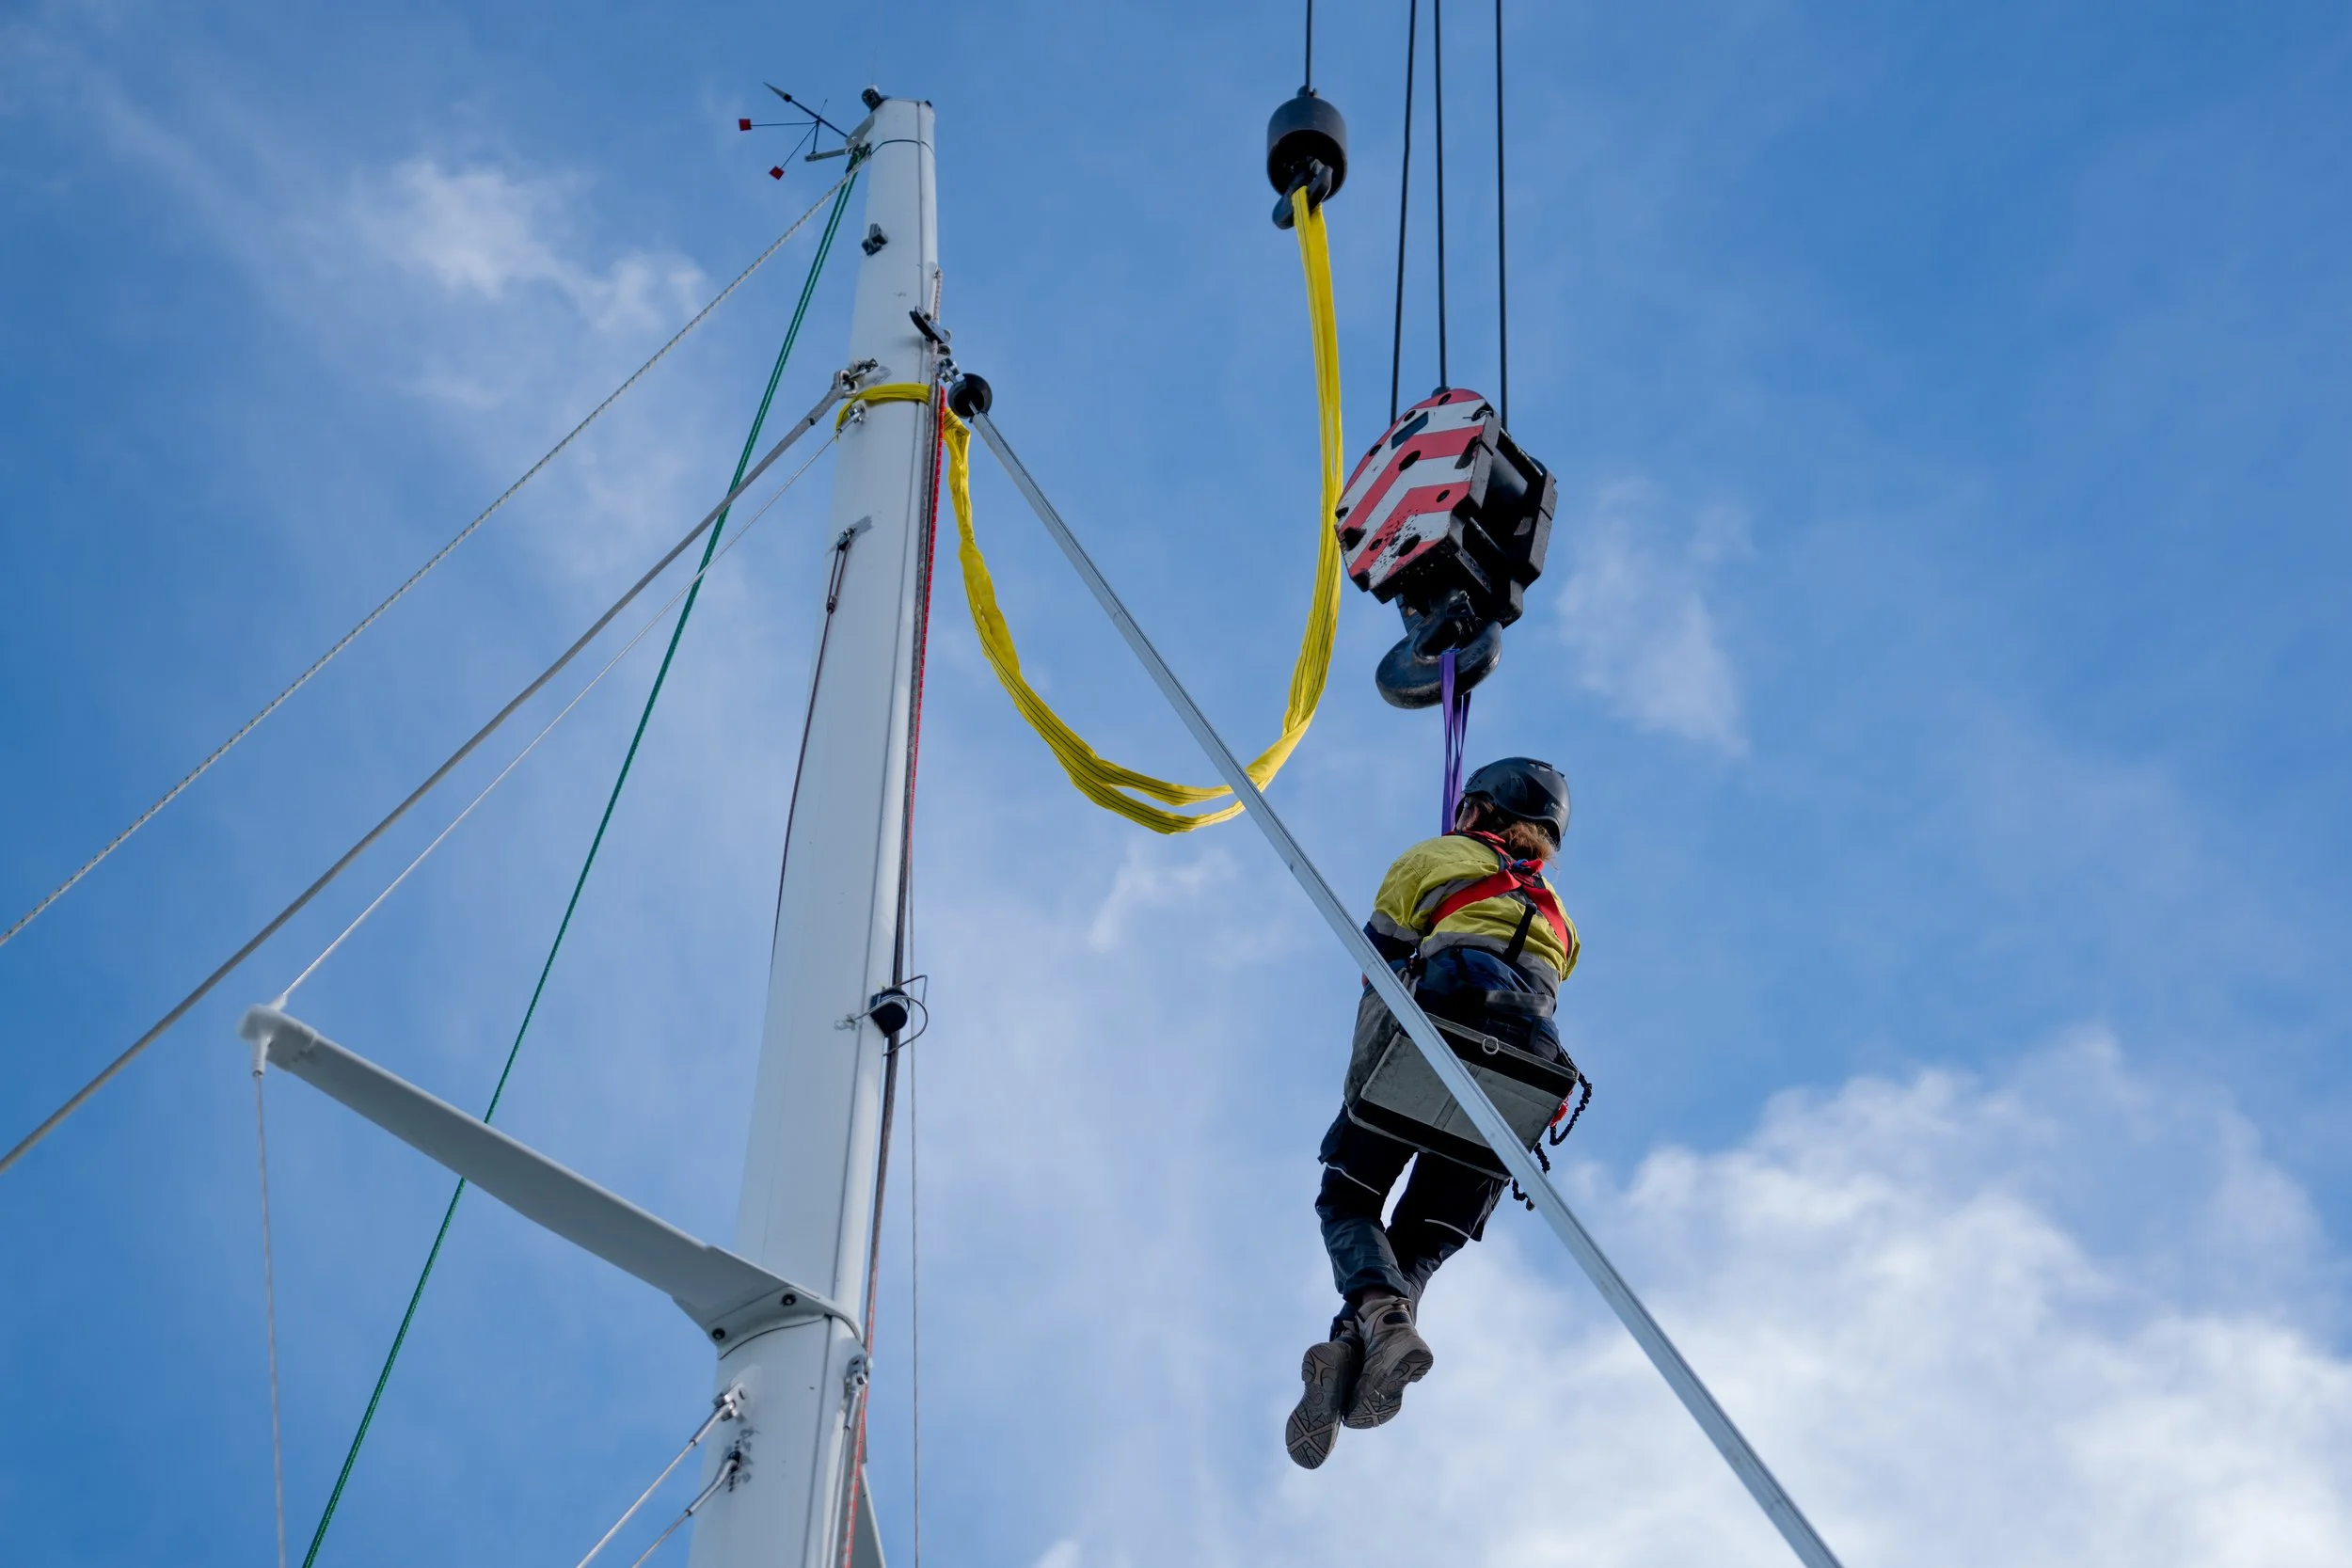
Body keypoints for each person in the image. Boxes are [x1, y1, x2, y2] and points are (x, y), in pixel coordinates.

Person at [1285, 756, 1581, 1469]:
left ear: (1477, 813)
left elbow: (1379, 953)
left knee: (1348, 1199)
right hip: (1516, 1089)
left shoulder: (1434, 856)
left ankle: (1375, 1320)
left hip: (1429, 1047)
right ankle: (1368, 1336)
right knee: (1419, 1242)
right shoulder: (1562, 920)